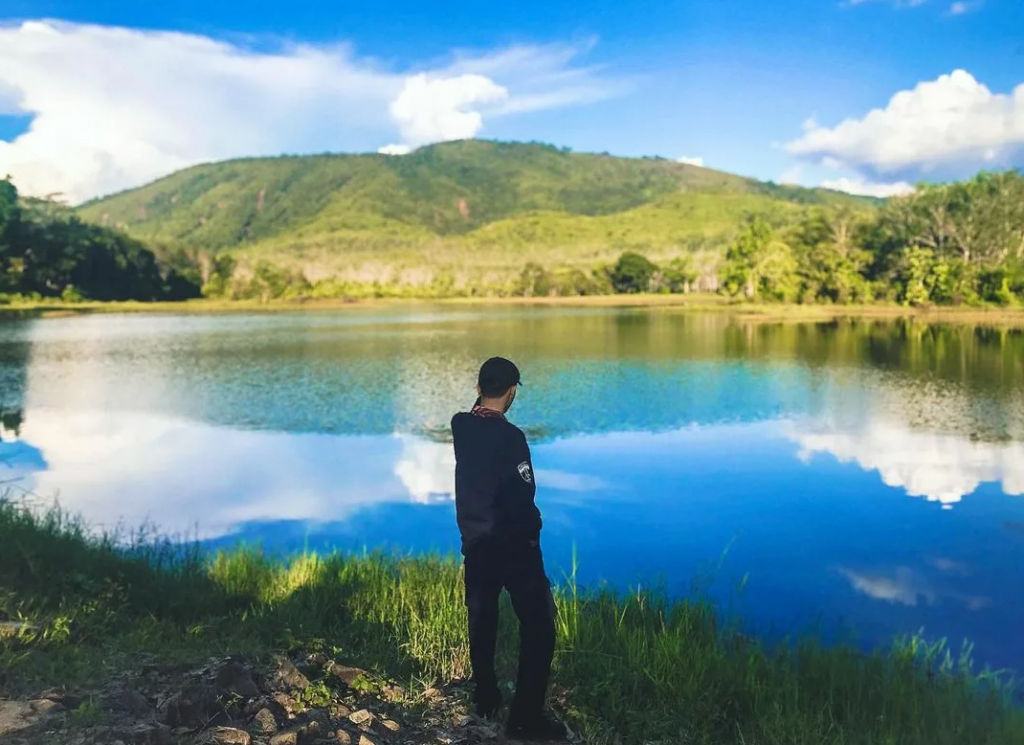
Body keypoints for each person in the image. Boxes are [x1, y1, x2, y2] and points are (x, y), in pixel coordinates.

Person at [450, 357, 568, 742]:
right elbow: (523, 495)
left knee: (482, 620)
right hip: (514, 545)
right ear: (512, 391)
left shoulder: (461, 426)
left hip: (477, 544)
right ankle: (524, 718)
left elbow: (472, 423)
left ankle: (486, 698)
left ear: (480, 387)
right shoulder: (511, 437)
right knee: (539, 626)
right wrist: (534, 534)